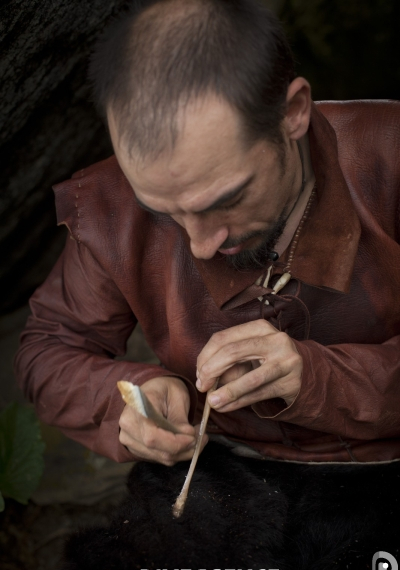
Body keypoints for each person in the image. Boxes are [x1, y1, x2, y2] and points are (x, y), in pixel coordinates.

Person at [15, 0, 400, 467]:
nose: (200, 246)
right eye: (160, 209)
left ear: (293, 112)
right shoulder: (108, 209)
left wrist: (321, 378)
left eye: (225, 200)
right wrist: (130, 401)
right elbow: (49, 349)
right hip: (228, 465)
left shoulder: (390, 155)